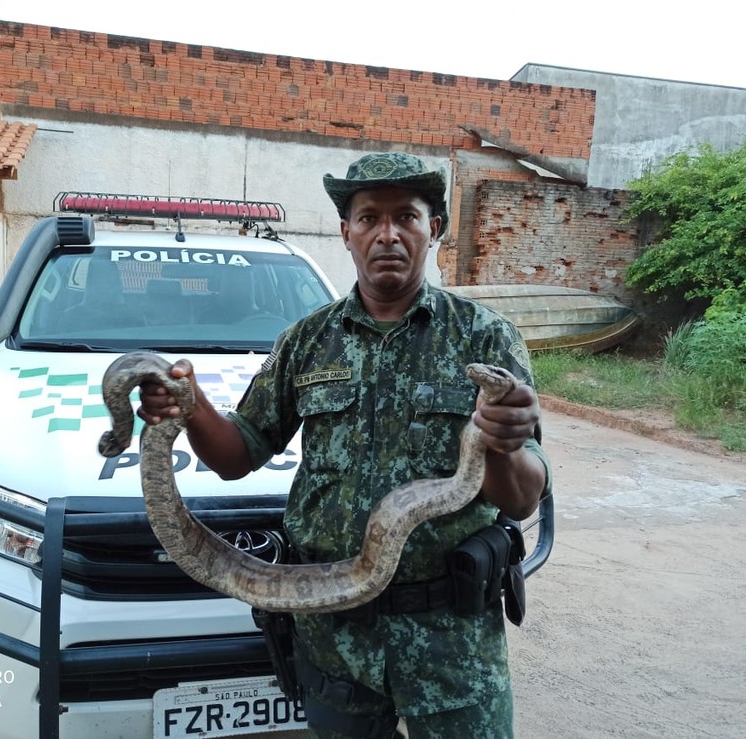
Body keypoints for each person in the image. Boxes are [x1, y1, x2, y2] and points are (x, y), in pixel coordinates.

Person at [138, 151, 551, 738]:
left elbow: (522, 500)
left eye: (406, 217)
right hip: (335, 638)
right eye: (368, 218)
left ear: (433, 229)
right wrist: (192, 404)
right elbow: (236, 454)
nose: (388, 234)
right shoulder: (306, 342)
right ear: (346, 233)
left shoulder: (486, 339)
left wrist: (505, 444)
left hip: (452, 644)